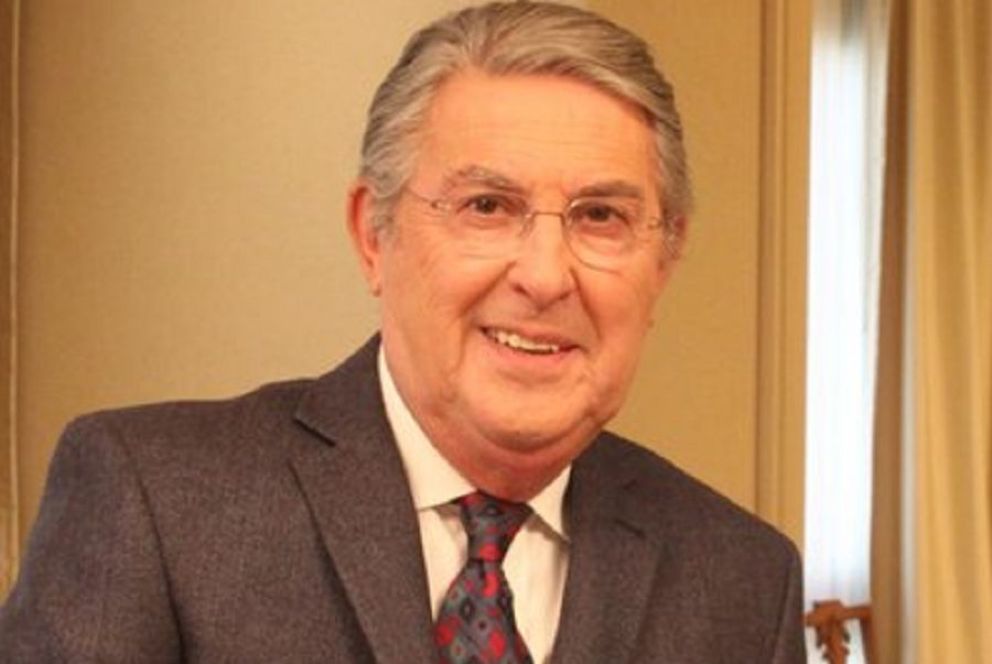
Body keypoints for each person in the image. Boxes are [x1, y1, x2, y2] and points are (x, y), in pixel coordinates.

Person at [0, 2, 805, 662]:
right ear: (373, 234)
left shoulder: (741, 580)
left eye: (600, 216)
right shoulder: (156, 502)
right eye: (487, 206)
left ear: (663, 261)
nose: (545, 275)